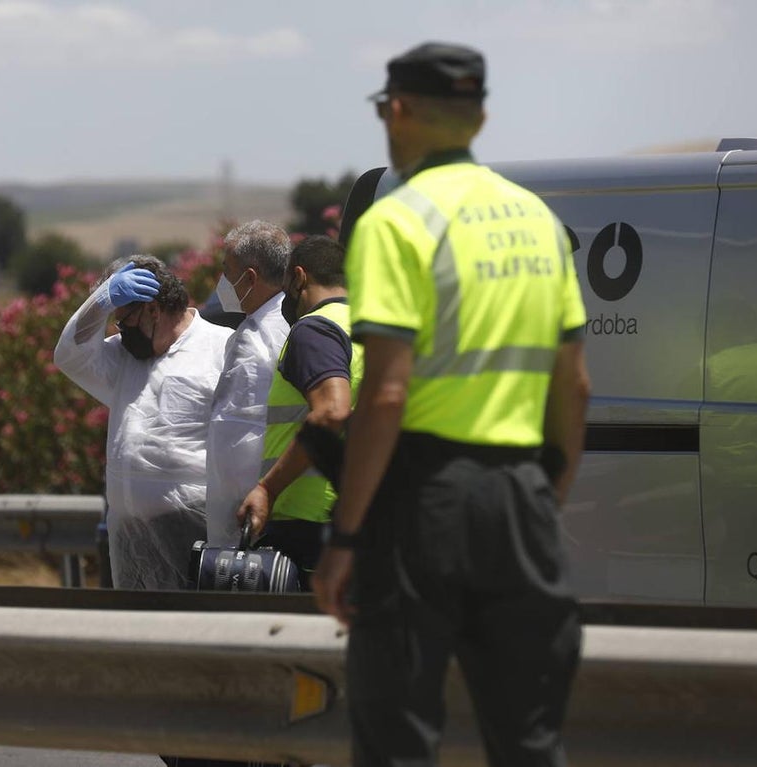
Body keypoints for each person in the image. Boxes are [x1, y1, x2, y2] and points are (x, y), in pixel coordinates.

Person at [312, 42, 592, 766]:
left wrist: (345, 538)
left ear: (398, 111)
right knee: (530, 739)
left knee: (397, 739)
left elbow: (388, 391)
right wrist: (543, 497)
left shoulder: (395, 221)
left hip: (422, 506)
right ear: (480, 116)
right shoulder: (538, 221)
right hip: (522, 498)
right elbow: (575, 386)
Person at [53, 255, 232, 590]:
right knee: (138, 634)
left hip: (194, 530)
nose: (121, 332)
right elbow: (69, 355)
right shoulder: (125, 357)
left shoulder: (220, 347)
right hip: (131, 537)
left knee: (195, 629)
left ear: (154, 310)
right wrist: (102, 299)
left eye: (125, 320)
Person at [235, 235, 364, 589]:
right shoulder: (373, 330)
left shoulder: (315, 329)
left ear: (299, 278)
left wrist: (268, 489)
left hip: (309, 525)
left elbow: (332, 411)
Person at [204, 220, 292, 548]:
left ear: (250, 277)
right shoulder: (273, 324)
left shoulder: (261, 337)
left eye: (227, 270)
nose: (223, 281)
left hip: (248, 519)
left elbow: (242, 431)